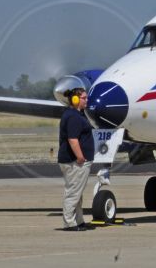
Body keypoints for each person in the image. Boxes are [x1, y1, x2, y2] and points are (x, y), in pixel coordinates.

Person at [58, 87, 95, 231]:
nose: (87, 100)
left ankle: (79, 221)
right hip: (74, 161)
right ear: (75, 100)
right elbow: (73, 140)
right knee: (73, 192)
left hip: (76, 161)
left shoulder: (77, 114)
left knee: (77, 193)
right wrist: (80, 157)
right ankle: (69, 222)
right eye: (84, 98)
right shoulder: (73, 116)